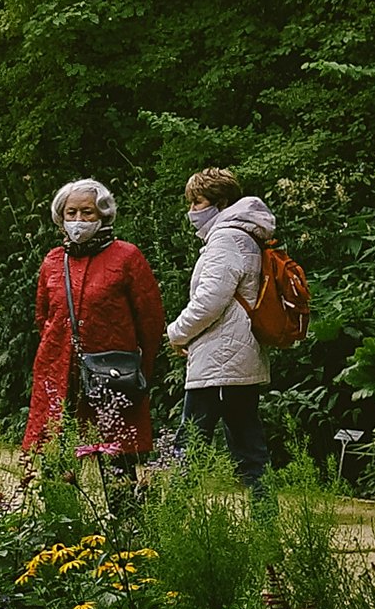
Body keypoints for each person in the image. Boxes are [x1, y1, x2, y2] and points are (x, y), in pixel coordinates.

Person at [23, 179, 165, 463]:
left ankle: (123, 508)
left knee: (118, 457)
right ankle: (58, 508)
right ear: (60, 218)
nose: (78, 220)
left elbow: (150, 320)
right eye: (71, 213)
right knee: (54, 453)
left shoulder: (127, 257)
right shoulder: (52, 260)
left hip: (112, 373)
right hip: (58, 371)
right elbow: (44, 316)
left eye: (87, 212)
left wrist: (140, 370)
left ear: (103, 214)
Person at [164, 167, 291, 484]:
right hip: (239, 358)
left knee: (190, 447)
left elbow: (210, 301)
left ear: (221, 202)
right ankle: (265, 520)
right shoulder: (246, 236)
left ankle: (175, 523)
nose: (192, 211)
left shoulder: (226, 239)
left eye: (198, 202)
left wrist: (176, 333)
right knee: (250, 447)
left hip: (219, 362)